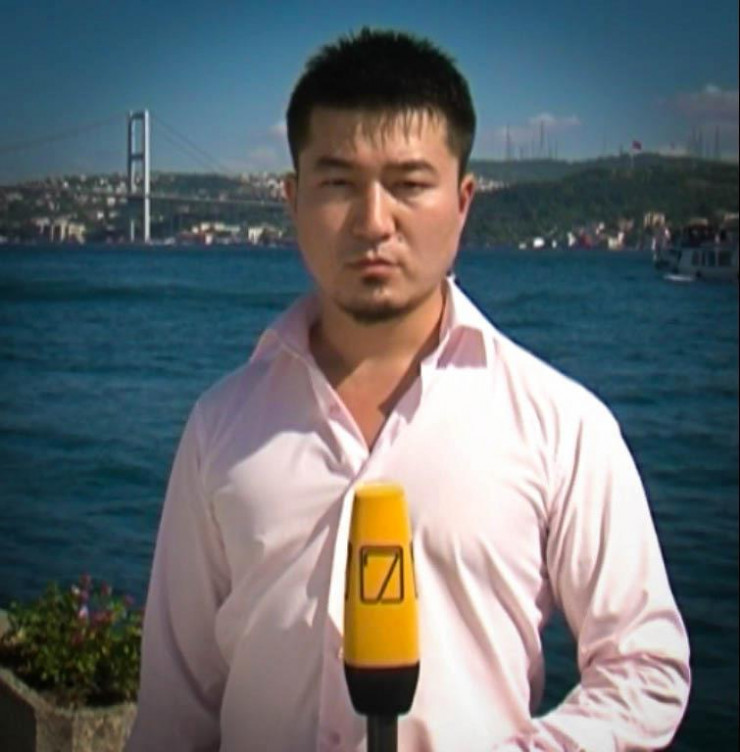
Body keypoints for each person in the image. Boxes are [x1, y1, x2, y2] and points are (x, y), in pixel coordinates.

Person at [126, 28, 690, 751]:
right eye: (338, 183)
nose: (373, 221)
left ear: (463, 200)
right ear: (292, 201)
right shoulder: (221, 426)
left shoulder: (561, 425)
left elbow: (645, 665)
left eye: (409, 184)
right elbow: (176, 708)